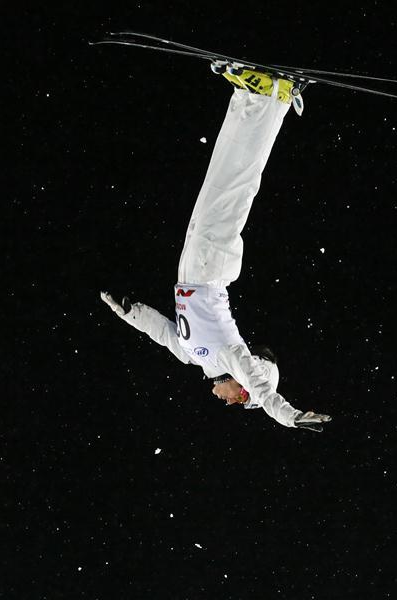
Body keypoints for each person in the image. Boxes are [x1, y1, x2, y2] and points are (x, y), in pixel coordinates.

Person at [101, 65, 330, 431]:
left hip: (194, 268)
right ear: (242, 388)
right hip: (210, 269)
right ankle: (272, 97)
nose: (225, 400)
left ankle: (252, 98)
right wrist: (292, 418)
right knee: (237, 184)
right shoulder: (231, 355)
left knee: (221, 177)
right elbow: (264, 393)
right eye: (237, 400)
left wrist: (128, 311)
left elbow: (163, 333)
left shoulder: (199, 359)